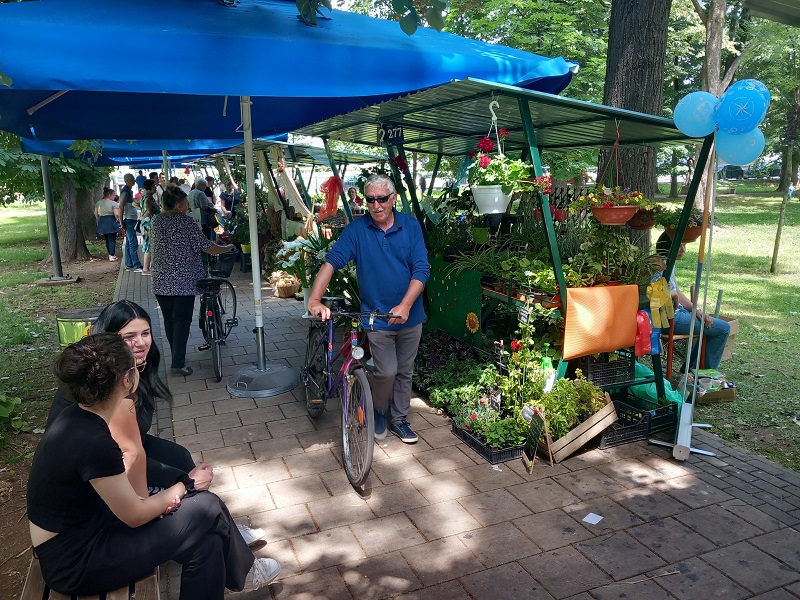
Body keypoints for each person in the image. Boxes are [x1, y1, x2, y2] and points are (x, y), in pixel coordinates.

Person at [29, 333, 280, 599]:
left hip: (89, 531)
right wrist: (184, 486)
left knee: (207, 540)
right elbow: (135, 515)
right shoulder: (94, 441)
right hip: (74, 562)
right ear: (127, 380)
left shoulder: (77, 416)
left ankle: (241, 567)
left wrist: (170, 495)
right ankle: (244, 570)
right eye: (135, 369)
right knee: (207, 508)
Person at [45, 300, 267, 544]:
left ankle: (220, 528)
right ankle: (206, 530)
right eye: (129, 336)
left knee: (180, 456)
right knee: (179, 477)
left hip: (115, 446)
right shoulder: (109, 385)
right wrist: (172, 490)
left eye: (146, 333)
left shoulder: (135, 366)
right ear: (110, 342)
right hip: (93, 471)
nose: (140, 343)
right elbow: (131, 453)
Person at [308, 173, 430, 444]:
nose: (376, 205)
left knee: (405, 370)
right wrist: (315, 299)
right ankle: (379, 411)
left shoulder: (410, 226)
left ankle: (400, 419)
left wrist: (406, 305)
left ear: (393, 199)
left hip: (410, 315)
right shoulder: (357, 229)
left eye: (382, 199)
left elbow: (421, 268)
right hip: (376, 317)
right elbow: (332, 262)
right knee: (386, 370)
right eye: (371, 199)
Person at [151, 185, 235, 376]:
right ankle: (178, 363)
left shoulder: (156, 220)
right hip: (183, 281)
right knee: (181, 321)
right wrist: (227, 247)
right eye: (186, 203)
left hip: (161, 280)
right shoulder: (185, 222)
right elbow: (206, 246)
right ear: (179, 205)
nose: (188, 206)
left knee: (170, 320)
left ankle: (176, 356)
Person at [654, 232, 730, 370]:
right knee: (723, 328)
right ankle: (703, 375)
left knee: (711, 327)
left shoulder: (667, 263)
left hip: (674, 314)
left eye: (684, 245)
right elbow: (662, 296)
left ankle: (690, 370)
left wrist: (696, 310)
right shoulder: (659, 265)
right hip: (668, 318)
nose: (683, 249)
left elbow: (676, 291)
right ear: (668, 247)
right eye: (680, 245)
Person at [118, 173, 143, 273]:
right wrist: (121, 220)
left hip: (130, 219)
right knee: (133, 243)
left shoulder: (128, 191)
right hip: (129, 219)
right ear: (127, 181)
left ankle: (129, 264)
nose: (134, 181)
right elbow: (121, 206)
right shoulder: (125, 192)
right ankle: (136, 265)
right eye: (132, 179)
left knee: (129, 243)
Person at [94, 187, 121, 262]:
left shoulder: (99, 202)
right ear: (109, 195)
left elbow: (95, 213)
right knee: (112, 238)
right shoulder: (114, 203)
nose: (115, 196)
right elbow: (116, 214)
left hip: (102, 220)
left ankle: (110, 253)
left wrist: (98, 220)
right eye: (114, 195)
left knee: (107, 239)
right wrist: (119, 221)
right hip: (111, 220)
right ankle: (112, 255)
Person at [140, 180, 160, 275]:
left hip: (148, 224)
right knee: (149, 246)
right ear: (150, 187)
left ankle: (148, 267)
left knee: (149, 245)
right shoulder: (148, 198)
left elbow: (135, 204)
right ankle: (146, 268)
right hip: (149, 225)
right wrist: (147, 213)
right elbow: (149, 210)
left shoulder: (144, 197)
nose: (155, 188)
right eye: (154, 186)